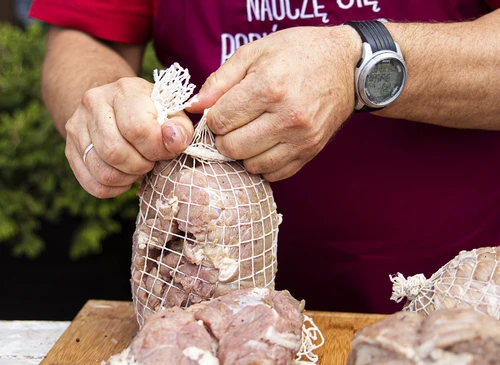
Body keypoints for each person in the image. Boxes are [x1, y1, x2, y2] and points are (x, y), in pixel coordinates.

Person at [29, 0, 500, 314]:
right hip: (200, 306)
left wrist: (363, 62)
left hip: (457, 302)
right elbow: (85, 34)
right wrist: (107, 111)